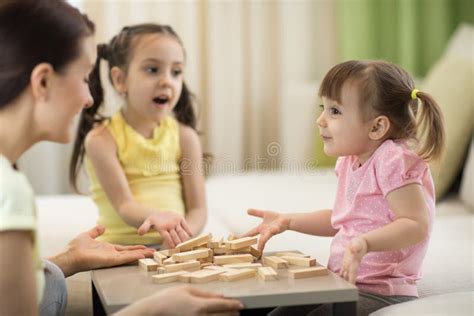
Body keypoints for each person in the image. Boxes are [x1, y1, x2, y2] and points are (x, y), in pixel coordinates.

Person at [0, 1, 243, 315]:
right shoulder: (11, 190)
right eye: (85, 77)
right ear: (43, 81)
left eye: (177, 71)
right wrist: (153, 310)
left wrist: (70, 259)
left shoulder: (9, 183)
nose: (90, 99)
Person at [244, 60, 445, 315]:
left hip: (380, 292)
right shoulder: (351, 160)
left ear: (377, 127)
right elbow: (343, 219)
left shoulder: (393, 158)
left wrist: (365, 244)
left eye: (334, 111)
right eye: (323, 108)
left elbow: (416, 224)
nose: (320, 120)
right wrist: (288, 220)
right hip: (340, 282)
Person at [69, 22, 207, 249]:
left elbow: (198, 209)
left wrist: (180, 238)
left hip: (174, 249)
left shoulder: (185, 137)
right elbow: (124, 205)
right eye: (152, 70)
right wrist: (160, 220)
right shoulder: (101, 139)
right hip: (118, 251)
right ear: (120, 80)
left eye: (176, 72)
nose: (166, 81)